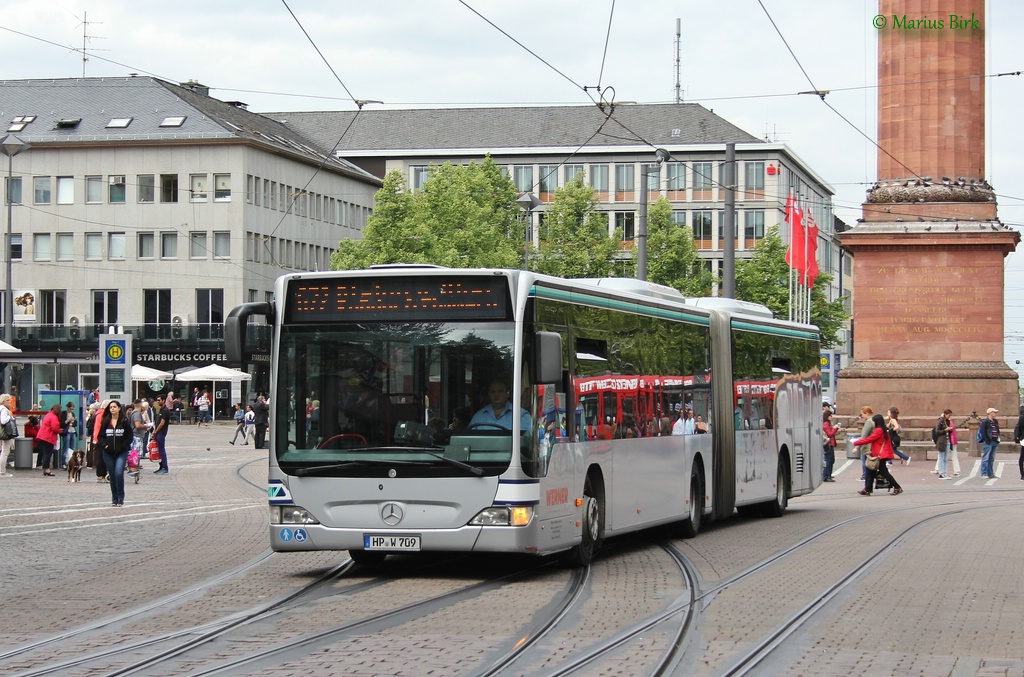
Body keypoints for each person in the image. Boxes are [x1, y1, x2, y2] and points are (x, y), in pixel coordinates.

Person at [853, 413, 903, 496]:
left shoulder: (878, 430)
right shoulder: (882, 429)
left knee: (883, 471)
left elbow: (869, 439)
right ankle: (867, 488)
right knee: (870, 470)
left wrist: (856, 442)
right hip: (881, 453)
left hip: (880, 454)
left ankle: (897, 487)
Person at [98, 401, 132, 506]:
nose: (112, 409)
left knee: (118, 473)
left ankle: (121, 497)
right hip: (108, 453)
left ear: (119, 408)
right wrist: (105, 445)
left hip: (121, 452)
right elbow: (100, 436)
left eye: (114, 407)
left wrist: (123, 446)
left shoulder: (124, 421)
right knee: (112, 475)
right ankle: (115, 498)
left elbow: (130, 436)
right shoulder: (106, 421)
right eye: (111, 407)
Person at [37, 403, 62, 477]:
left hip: (42, 436)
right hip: (48, 437)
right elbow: (54, 428)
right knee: (47, 454)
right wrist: (60, 431)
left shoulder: (48, 414)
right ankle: (47, 469)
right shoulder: (54, 417)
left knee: (45, 453)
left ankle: (45, 468)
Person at [978, 407, 1001, 479]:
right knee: (986, 458)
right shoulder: (985, 422)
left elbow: (997, 430)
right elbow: (983, 431)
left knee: (992, 458)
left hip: (995, 441)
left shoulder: (995, 421)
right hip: (988, 441)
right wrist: (987, 440)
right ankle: (984, 473)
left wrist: (998, 438)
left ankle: (990, 473)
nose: (995, 413)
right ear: (990, 413)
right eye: (994, 412)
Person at [152, 398, 172, 474]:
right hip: (158, 433)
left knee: (161, 450)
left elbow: (162, 423)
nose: (158, 401)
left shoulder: (165, 411)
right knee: (158, 451)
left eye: (159, 400)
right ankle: (161, 466)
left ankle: (164, 467)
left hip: (161, 433)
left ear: (163, 401)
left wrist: (156, 431)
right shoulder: (161, 410)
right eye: (157, 400)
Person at [857, 406, 876, 480]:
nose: (862, 416)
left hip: (867, 445)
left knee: (865, 462)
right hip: (871, 445)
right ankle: (867, 476)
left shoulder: (868, 422)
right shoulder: (873, 420)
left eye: (862, 414)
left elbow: (864, 435)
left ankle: (865, 476)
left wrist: (856, 446)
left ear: (867, 413)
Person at [822, 410, 840, 482]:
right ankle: (826, 476)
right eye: (830, 416)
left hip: (830, 443)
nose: (831, 417)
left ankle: (828, 474)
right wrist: (835, 428)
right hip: (828, 443)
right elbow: (830, 434)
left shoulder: (828, 423)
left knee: (831, 460)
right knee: (828, 460)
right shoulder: (826, 424)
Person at [0, 393, 15, 477]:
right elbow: (3, 421)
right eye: (7, 400)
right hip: (6, 432)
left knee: (4, 451)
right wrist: (10, 416)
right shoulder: (4, 410)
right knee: (5, 451)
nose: (9, 401)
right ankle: (2, 471)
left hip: (2, 432)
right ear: (3, 401)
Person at [933, 410, 951, 479]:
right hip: (941, 441)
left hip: (947, 440)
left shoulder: (947, 421)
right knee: (941, 457)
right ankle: (941, 473)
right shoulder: (940, 421)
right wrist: (945, 430)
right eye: (949, 415)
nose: (949, 417)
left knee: (945, 458)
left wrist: (949, 430)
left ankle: (945, 473)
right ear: (945, 414)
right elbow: (937, 431)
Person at [62, 401, 78, 466]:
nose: (71, 410)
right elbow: (62, 423)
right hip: (67, 431)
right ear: (68, 407)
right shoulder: (64, 413)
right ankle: (64, 463)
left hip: (73, 431)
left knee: (72, 448)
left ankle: (71, 462)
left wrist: (73, 422)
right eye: (71, 408)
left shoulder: (73, 414)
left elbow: (75, 424)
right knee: (66, 447)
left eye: (73, 409)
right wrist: (69, 420)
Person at [1013, 405, 1024, 481]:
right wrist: (1018, 438)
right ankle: (1022, 474)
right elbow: (1018, 428)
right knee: (1022, 457)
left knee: (1022, 457)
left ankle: (1022, 474)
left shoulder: (1021, 418)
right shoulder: (1022, 418)